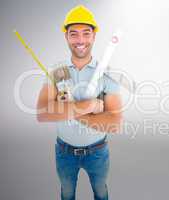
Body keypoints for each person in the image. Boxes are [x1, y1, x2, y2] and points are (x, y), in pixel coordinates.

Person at [36, 5, 122, 200]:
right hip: (64, 152)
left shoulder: (107, 73)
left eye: (86, 33)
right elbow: (42, 112)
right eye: (74, 34)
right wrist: (88, 107)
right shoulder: (58, 72)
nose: (80, 40)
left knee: (101, 191)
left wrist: (65, 109)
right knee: (67, 193)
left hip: (98, 153)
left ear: (94, 36)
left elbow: (115, 123)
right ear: (66, 37)